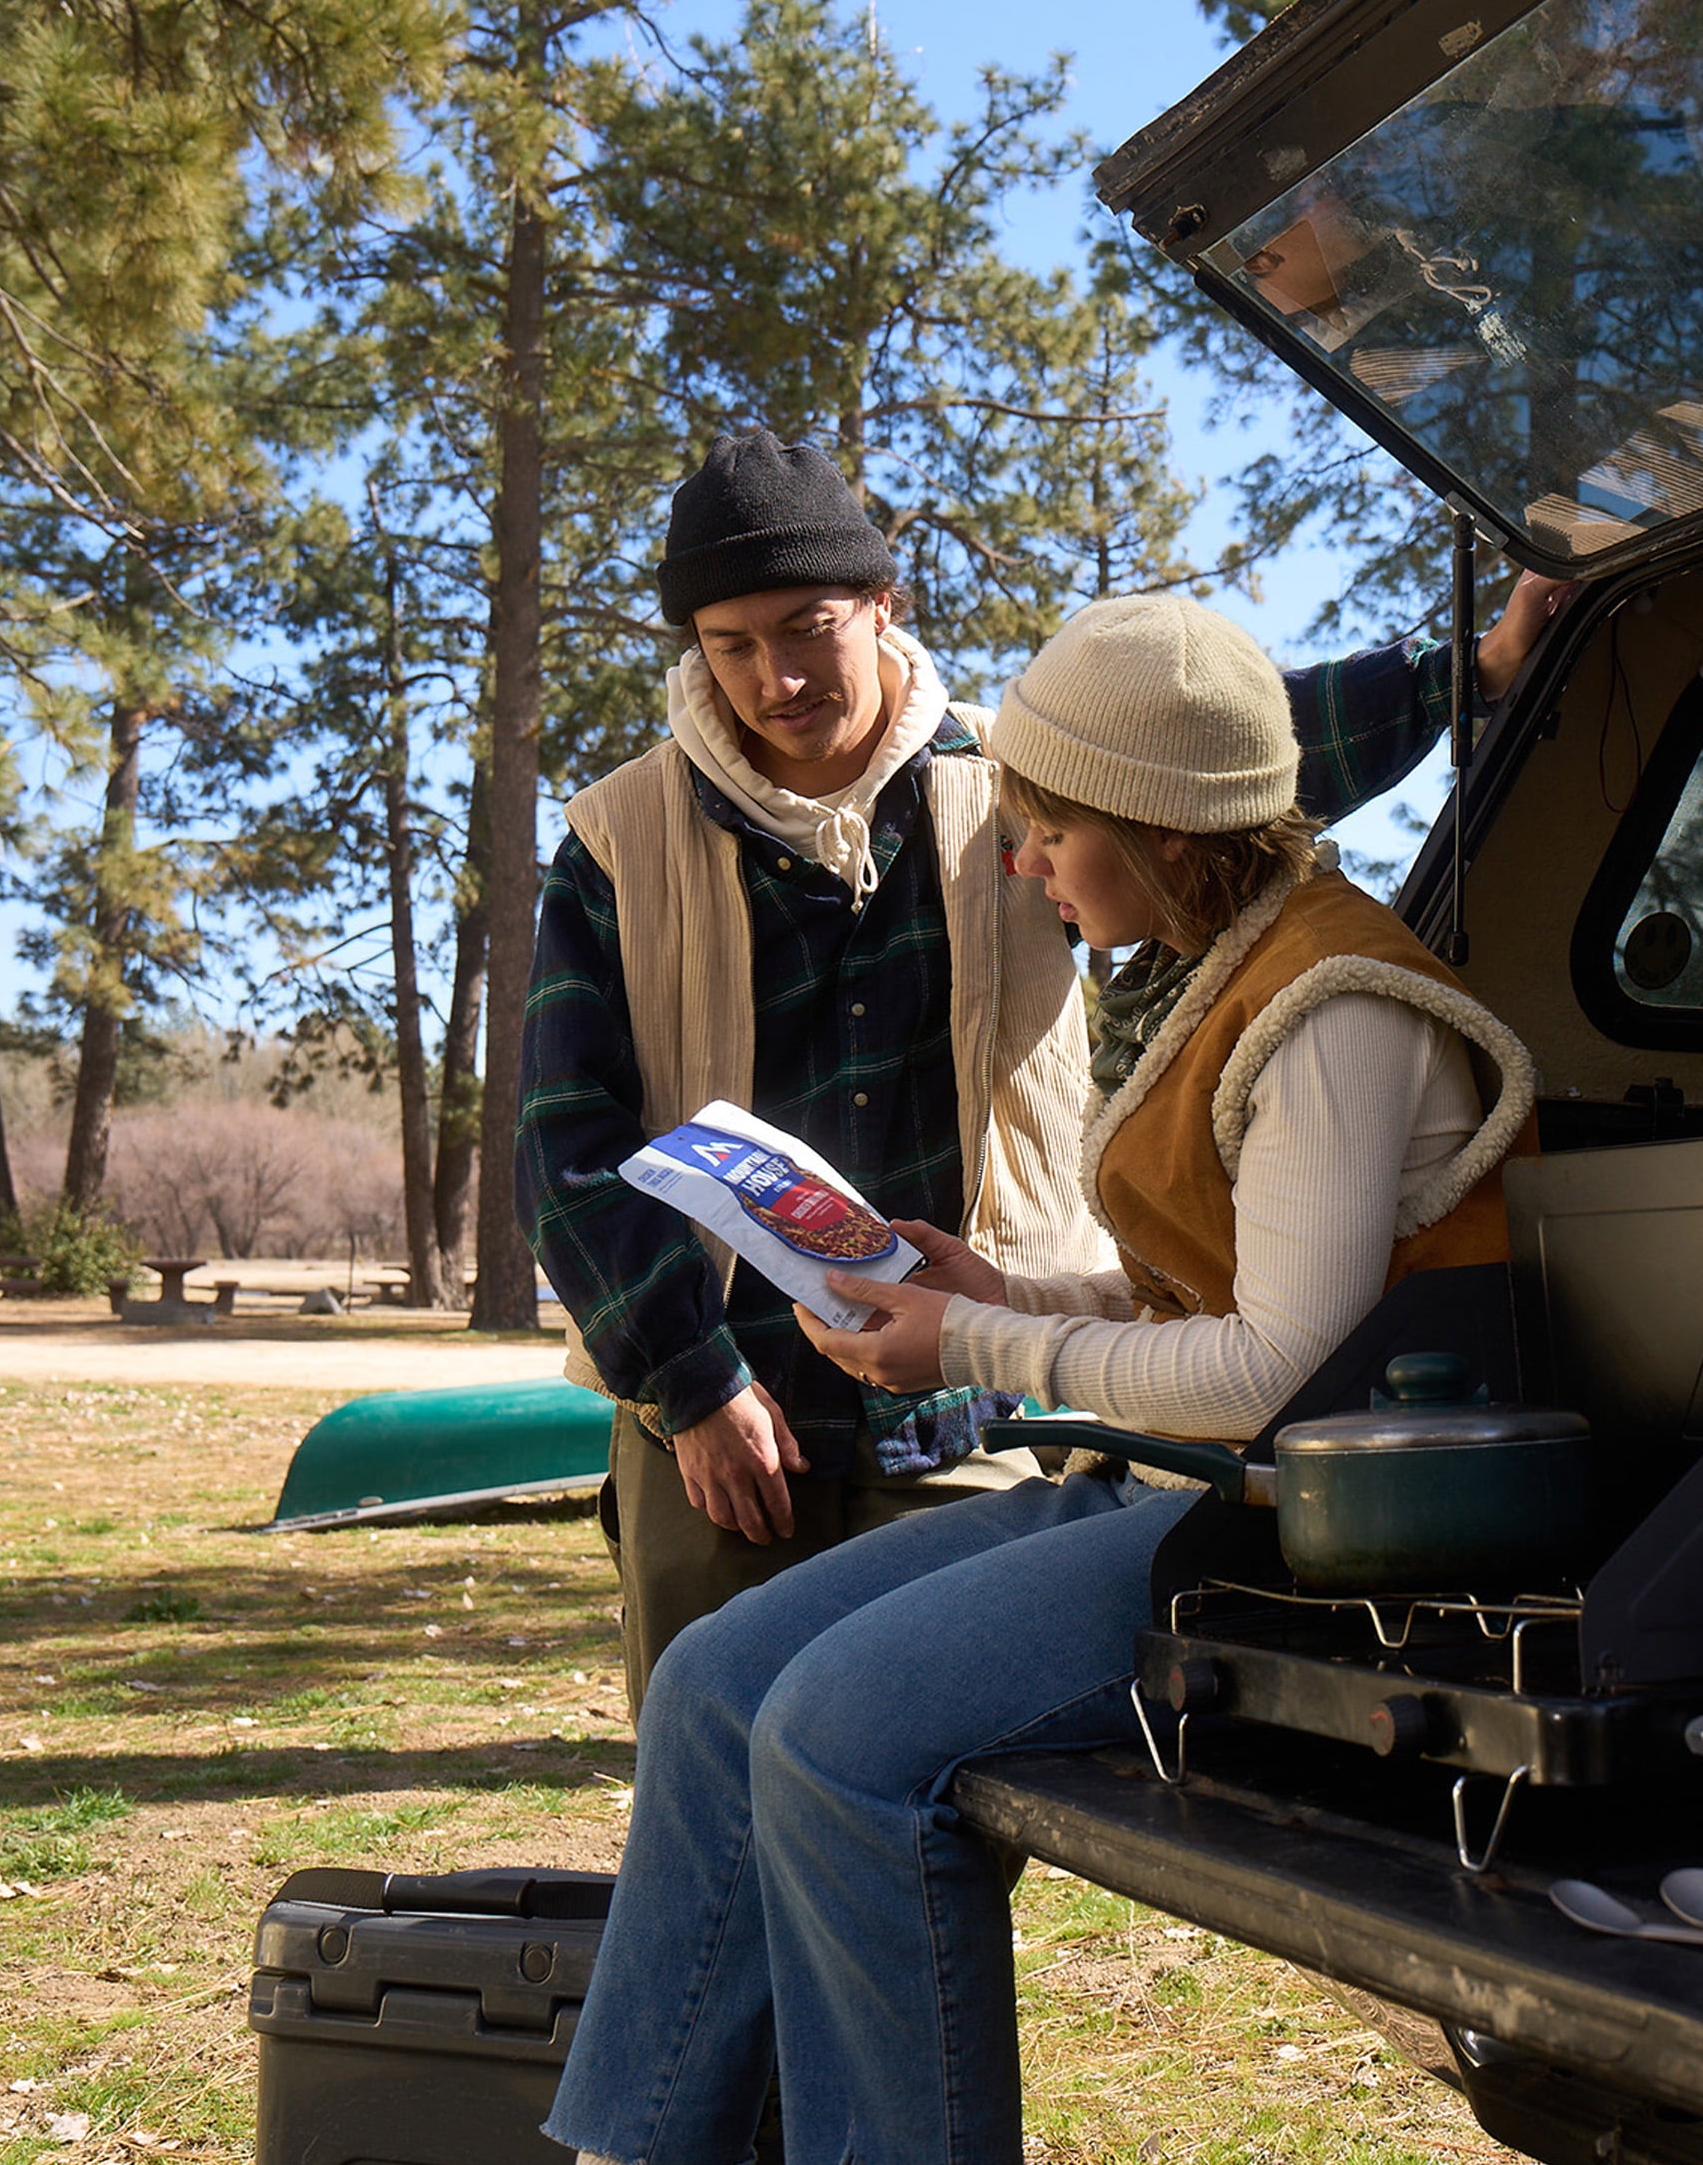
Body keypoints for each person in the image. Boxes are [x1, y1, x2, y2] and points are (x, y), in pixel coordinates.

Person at [541, 591, 1538, 2165]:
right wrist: (1006, 1286)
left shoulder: (1335, 1012)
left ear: (1156, 829)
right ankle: (639, 2146)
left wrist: (984, 1344)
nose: (1020, 862)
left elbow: (1282, 1373)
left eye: (1047, 827)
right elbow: (1206, 1288)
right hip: (1158, 1478)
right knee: (716, 1686)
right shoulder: (1228, 963)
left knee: (841, 1744)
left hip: (1295, 1541)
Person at [514, 426, 1563, 1716]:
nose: (776, 678)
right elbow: (565, 1148)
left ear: (883, 607)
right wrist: (690, 1384)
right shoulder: (614, 840)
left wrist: (1480, 664)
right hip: (729, 1411)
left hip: (974, 1397)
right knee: (709, 1728)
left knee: (919, 1784)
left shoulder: (1024, 775)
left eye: (809, 627)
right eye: (732, 645)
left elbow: (1225, 756)